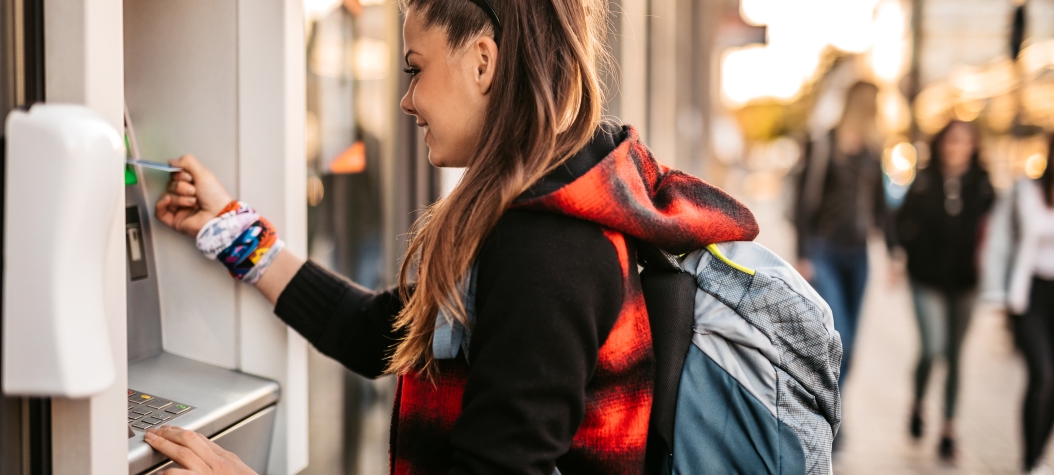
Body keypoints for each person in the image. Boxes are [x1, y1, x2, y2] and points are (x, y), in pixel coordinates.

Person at [138, 0, 760, 473]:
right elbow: (380, 331)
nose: (407, 100)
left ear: (482, 61)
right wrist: (230, 230)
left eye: (415, 68)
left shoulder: (549, 249)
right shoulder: (541, 214)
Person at [894, 120, 995, 461]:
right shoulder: (924, 181)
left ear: (973, 146)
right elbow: (901, 222)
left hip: (965, 285)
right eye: (951, 142)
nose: (956, 148)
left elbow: (996, 232)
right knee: (932, 348)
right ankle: (919, 402)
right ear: (941, 145)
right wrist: (900, 255)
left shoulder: (982, 185)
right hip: (926, 280)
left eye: (964, 142)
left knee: (955, 356)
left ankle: (948, 429)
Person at [793, 81, 896, 396]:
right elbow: (803, 203)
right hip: (824, 251)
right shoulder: (824, 144)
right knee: (841, 336)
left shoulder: (872, 152)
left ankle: (835, 406)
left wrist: (895, 252)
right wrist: (802, 255)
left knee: (852, 345)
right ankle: (824, 402)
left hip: (859, 255)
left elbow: (881, 207)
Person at [983, 136, 1054, 475]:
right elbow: (1000, 241)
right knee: (1041, 373)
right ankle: (1029, 459)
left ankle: (1039, 455)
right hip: (1031, 296)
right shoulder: (1025, 192)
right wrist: (998, 294)